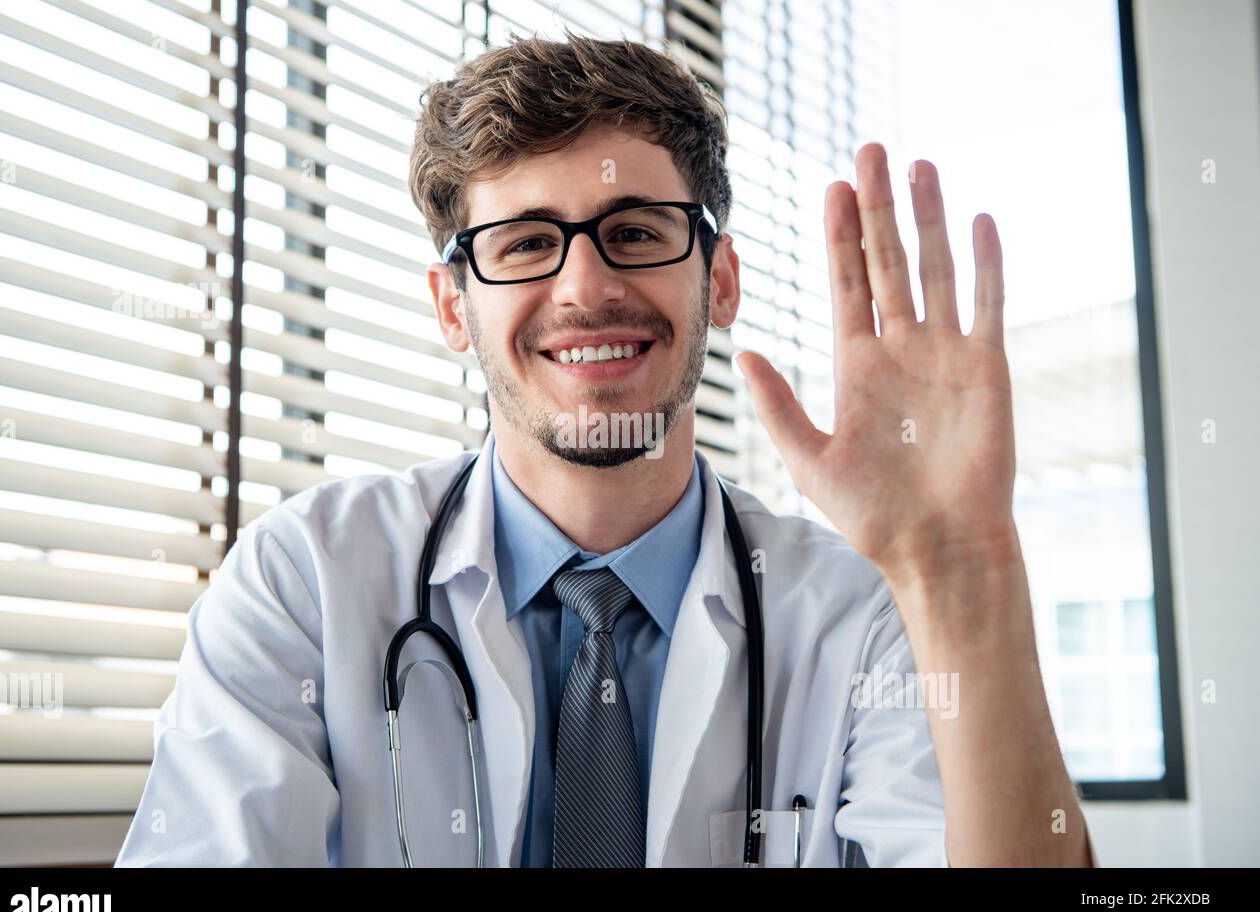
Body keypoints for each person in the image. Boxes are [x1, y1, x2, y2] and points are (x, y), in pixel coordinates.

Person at [115, 33, 1095, 867]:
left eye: (635, 230)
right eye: (526, 243)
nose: (585, 285)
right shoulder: (303, 584)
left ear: (720, 282)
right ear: (454, 305)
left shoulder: (866, 613)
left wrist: (962, 572)